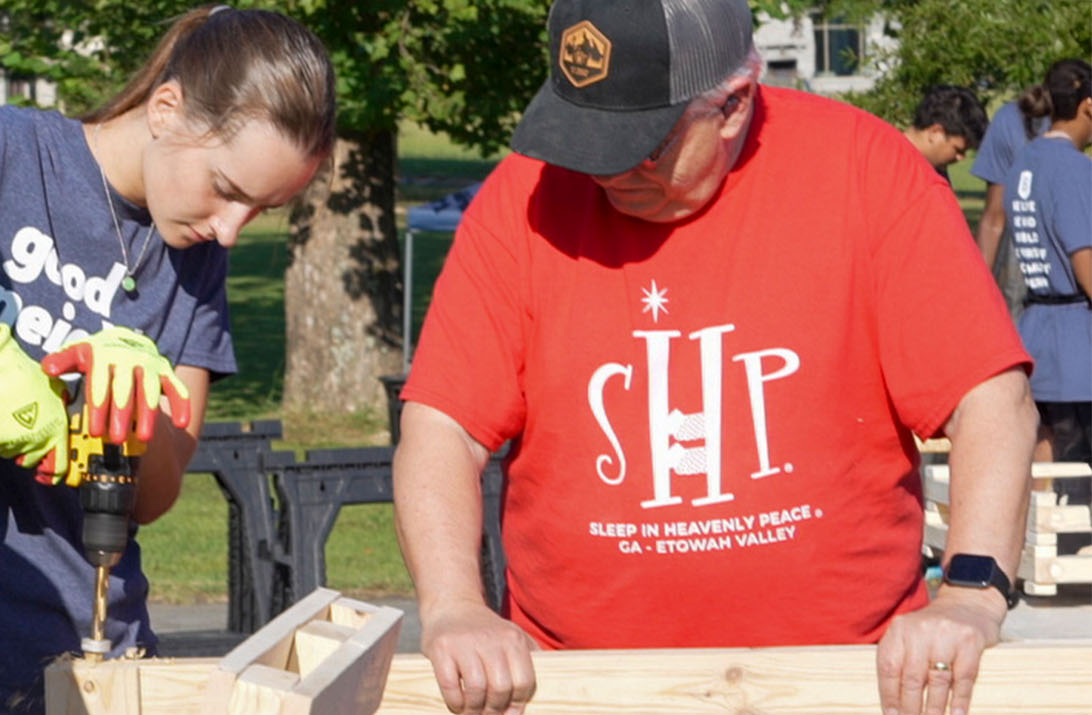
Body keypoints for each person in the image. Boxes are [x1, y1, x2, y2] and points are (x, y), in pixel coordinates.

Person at [393, 2, 1036, 715]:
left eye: (640, 142)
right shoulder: (526, 196)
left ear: (732, 105)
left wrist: (973, 594)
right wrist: (453, 606)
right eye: (585, 135)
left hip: (840, 685)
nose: (605, 170)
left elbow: (989, 398)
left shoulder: (864, 170)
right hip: (578, 690)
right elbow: (443, 424)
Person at [0, 5, 335, 710]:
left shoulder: (194, 257)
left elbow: (159, 494)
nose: (230, 230)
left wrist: (136, 421)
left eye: (260, 209)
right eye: (227, 190)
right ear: (167, 108)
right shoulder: (0, 151)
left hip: (103, 659)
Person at [1003, 58, 1092, 552]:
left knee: (1043, 445)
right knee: (1075, 455)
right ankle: (1070, 554)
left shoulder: (1025, 160)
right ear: (1087, 105)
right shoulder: (1076, 169)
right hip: (1076, 335)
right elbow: (1086, 261)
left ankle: (1035, 550)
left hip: (1036, 327)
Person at [974, 84, 1053, 313]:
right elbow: (994, 218)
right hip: (1020, 266)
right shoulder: (1012, 121)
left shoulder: (1008, 119)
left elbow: (993, 218)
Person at [902, 85, 987, 177]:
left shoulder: (935, 172)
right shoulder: (891, 166)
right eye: (958, 150)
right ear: (935, 132)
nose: (961, 158)